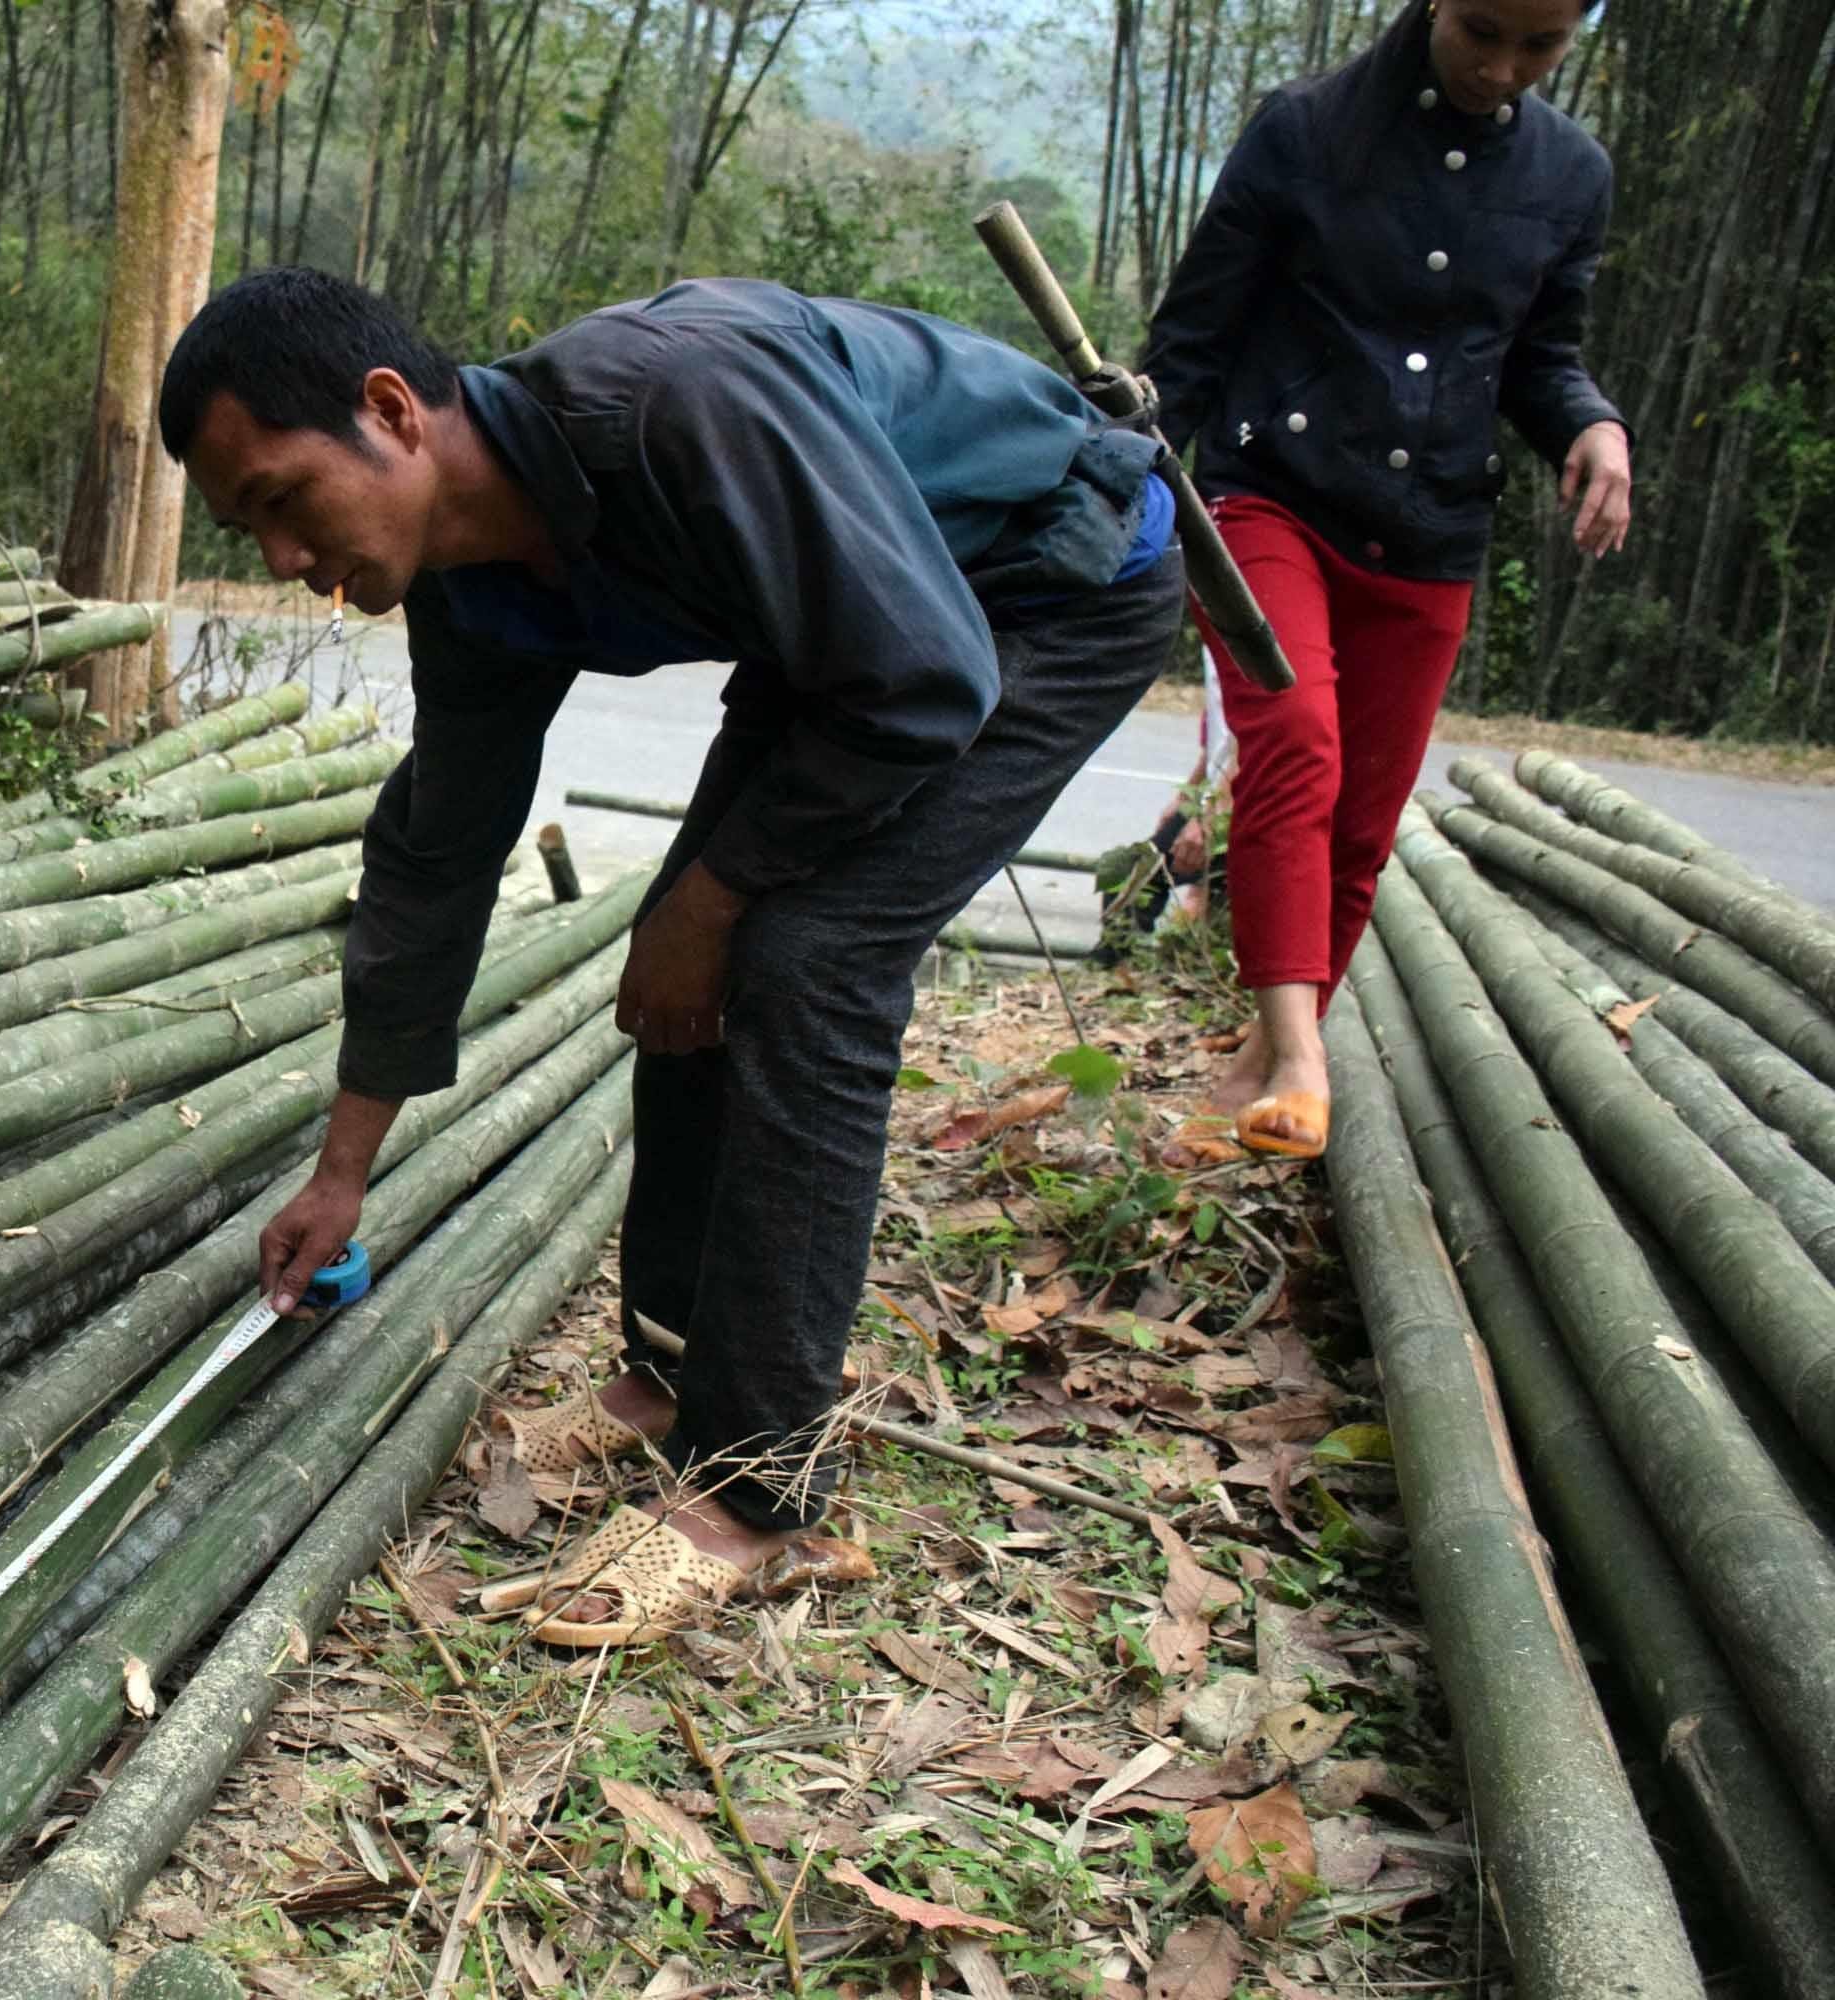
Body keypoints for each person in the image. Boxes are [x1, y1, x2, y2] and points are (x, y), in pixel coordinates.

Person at [156, 268, 1186, 1644]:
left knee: (805, 956)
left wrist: (713, 897)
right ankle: (665, 1374)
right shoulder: (470, 589)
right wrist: (345, 1170)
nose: (282, 558)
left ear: (392, 413)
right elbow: (435, 862)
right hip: (852, 636)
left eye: (283, 499)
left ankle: (757, 1495)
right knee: (678, 968)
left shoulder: (678, 409)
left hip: (1043, 586)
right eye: (247, 530)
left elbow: (929, 678)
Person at [1142, 0, 1631, 1158]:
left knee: (1362, 819)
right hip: (1268, 498)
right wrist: (1117, 477)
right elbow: (1193, 342)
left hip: (1430, 534)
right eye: (1483, 30)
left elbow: (1539, 358)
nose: (1499, 67)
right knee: (1296, 741)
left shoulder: (1570, 173)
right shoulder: (1303, 130)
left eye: (1539, 47)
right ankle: (1302, 1049)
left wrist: (1592, 424)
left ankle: (1257, 1080)